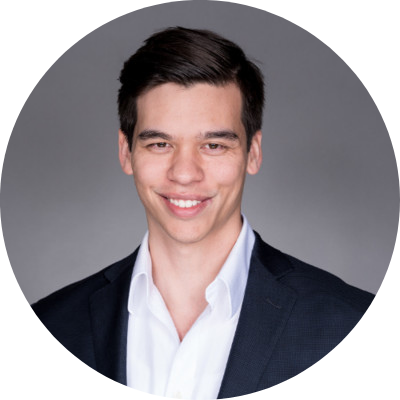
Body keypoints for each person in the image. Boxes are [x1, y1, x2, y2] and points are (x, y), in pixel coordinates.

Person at [32, 27, 374, 399]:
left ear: (253, 153)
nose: (184, 173)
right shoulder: (48, 329)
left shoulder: (354, 327)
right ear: (126, 152)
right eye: (160, 143)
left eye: (213, 145)